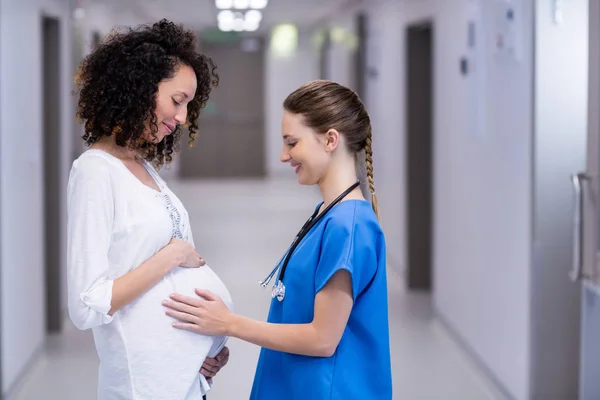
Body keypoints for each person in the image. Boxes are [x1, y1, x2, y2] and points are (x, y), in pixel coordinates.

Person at [163, 80, 393, 399]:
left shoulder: (349, 227)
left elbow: (322, 339)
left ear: (330, 140)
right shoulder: (327, 214)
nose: (284, 156)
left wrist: (229, 324)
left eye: (292, 142)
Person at [66, 19, 233, 399]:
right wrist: (171, 257)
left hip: (185, 379)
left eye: (189, 105)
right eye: (177, 101)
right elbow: (86, 304)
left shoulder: (144, 167)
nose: (183, 118)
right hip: (144, 387)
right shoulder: (94, 171)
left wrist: (210, 346)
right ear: (139, 88)